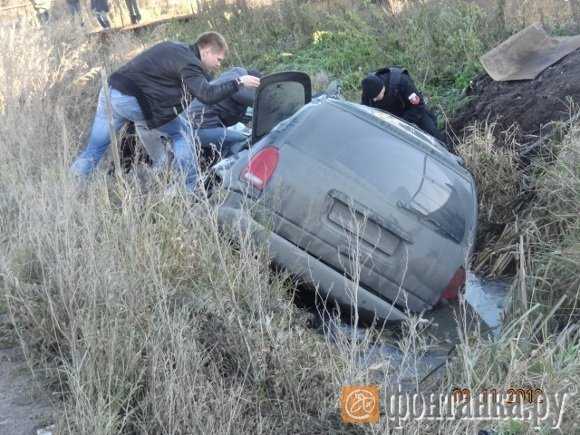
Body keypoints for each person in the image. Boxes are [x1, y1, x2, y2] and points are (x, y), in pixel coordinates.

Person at [70, 32, 260, 192]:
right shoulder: (190, 63)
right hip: (133, 100)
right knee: (183, 132)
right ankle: (188, 187)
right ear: (207, 50)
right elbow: (206, 95)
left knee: (94, 149)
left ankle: (71, 188)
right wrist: (238, 82)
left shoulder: (176, 49)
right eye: (218, 59)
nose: (219, 65)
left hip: (110, 92)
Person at [361, 67, 452, 151]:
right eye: (372, 98)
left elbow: (419, 106)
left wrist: (402, 122)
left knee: (432, 133)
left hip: (411, 111)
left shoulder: (401, 81)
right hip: (389, 120)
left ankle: (449, 152)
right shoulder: (368, 91)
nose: (374, 100)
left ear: (382, 88)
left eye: (376, 97)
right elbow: (366, 113)